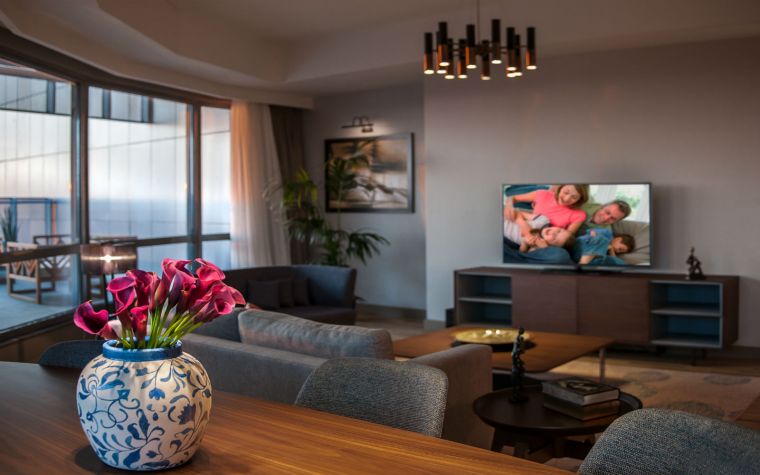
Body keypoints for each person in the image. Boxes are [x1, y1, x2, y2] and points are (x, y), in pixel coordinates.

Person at [507, 184, 589, 236]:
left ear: (579, 199)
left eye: (574, 197)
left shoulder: (579, 215)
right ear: (561, 188)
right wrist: (509, 206)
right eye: (566, 192)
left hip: (543, 238)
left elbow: (566, 237)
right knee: (508, 191)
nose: (567, 199)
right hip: (527, 226)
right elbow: (513, 198)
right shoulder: (543, 194)